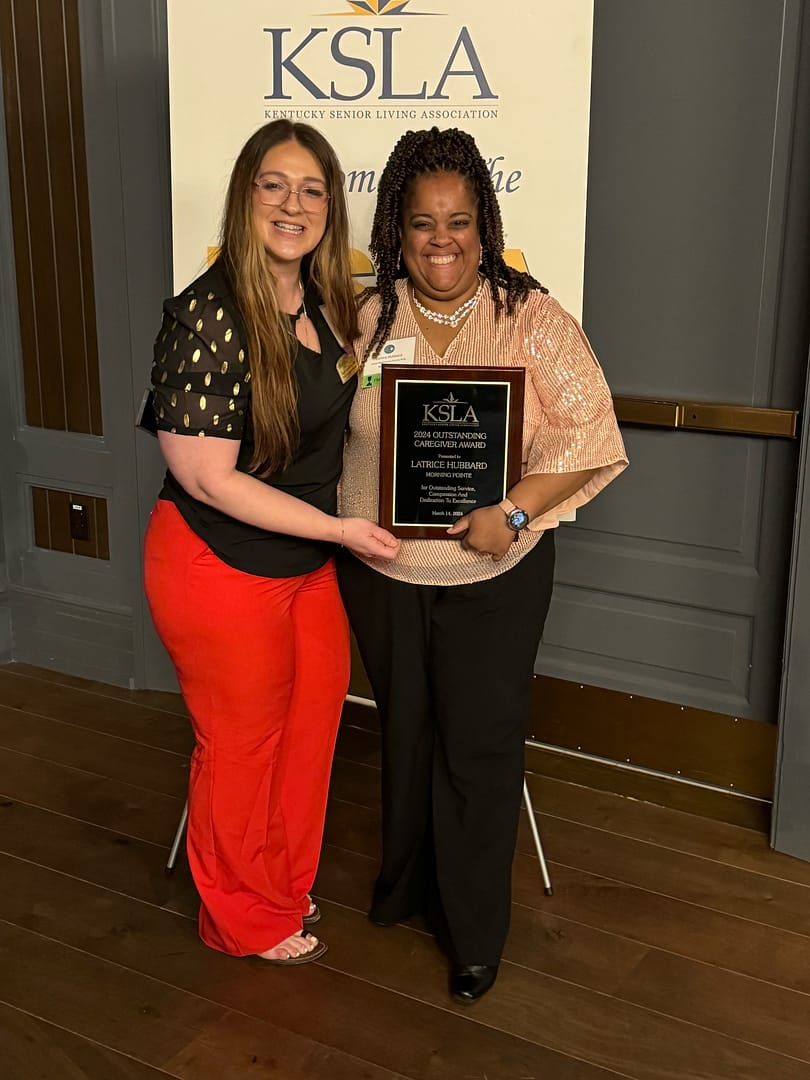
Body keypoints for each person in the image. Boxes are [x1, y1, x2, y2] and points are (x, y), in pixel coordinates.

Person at [337, 126, 628, 1002]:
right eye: (422, 222)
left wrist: (513, 511)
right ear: (396, 226)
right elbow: (328, 422)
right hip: (383, 569)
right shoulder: (366, 312)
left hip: (491, 576)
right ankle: (408, 890)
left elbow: (591, 433)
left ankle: (471, 930)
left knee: (479, 748)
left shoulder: (528, 315)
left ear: (483, 223)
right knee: (406, 734)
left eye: (458, 221)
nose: (440, 240)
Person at [143, 120, 399, 965]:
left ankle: (281, 890)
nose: (294, 203)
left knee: (309, 735)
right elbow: (209, 477)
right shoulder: (206, 315)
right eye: (274, 184)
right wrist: (338, 528)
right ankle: (241, 920)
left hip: (305, 565)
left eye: (312, 188)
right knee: (242, 747)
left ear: (331, 206)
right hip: (218, 564)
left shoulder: (327, 306)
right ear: (244, 196)